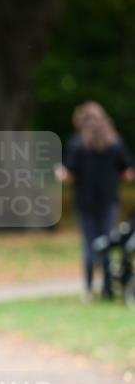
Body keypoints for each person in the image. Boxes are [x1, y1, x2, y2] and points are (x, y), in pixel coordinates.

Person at [59, 102, 134, 300]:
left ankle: (89, 289)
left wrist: (60, 174)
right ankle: (108, 289)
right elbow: (127, 173)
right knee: (108, 243)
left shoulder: (77, 145)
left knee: (90, 245)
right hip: (110, 201)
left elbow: (69, 176)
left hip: (85, 202)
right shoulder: (115, 144)